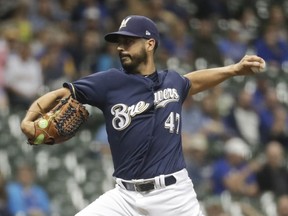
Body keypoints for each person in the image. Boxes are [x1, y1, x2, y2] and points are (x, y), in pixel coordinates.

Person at [20, 15, 265, 216]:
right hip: (125, 198)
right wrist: (28, 120)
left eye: (128, 41)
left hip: (174, 197)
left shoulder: (172, 81)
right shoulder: (110, 81)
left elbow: (193, 81)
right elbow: (58, 93)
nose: (120, 47)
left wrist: (233, 70)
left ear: (150, 44)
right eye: (119, 42)